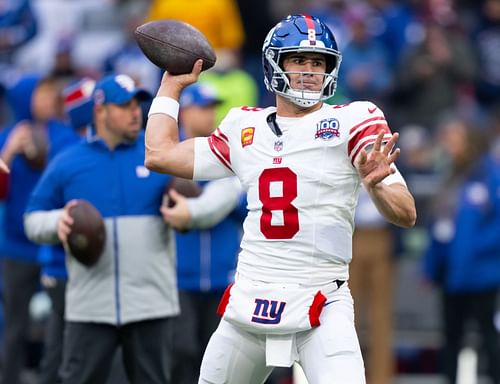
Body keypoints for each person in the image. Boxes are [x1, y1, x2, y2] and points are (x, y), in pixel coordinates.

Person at [144, 14, 416, 383]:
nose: (309, 71)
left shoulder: (354, 120)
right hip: (250, 300)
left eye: (317, 62)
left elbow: (406, 213)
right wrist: (170, 87)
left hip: (320, 303)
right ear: (275, 64)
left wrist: (376, 184)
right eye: (298, 60)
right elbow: (159, 155)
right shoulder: (245, 127)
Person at [24, 74, 178, 384]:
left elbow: (209, 195)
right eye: (124, 105)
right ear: (100, 111)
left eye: (138, 104)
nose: (136, 112)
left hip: (150, 304)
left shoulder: (159, 157)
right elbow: (32, 218)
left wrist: (190, 213)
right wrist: (58, 222)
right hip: (90, 306)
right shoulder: (68, 162)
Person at [161, 83, 246, 383]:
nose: (210, 114)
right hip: (178, 278)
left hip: (221, 278)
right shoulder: (168, 157)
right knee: (181, 353)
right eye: (203, 107)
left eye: (213, 108)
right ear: (186, 111)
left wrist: (211, 200)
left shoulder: (228, 158)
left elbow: (246, 209)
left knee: (218, 359)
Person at [0, 74, 74, 384]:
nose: (45, 100)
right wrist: (8, 154)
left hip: (54, 249)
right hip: (16, 247)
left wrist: (43, 155)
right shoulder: (8, 135)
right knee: (15, 326)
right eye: (39, 94)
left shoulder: (65, 137)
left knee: (61, 326)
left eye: (49, 94)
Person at [422, 116, 500, 384]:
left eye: (454, 139)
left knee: (488, 334)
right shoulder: (450, 175)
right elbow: (438, 225)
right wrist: (431, 265)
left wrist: (473, 253)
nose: (449, 145)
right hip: (451, 272)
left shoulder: (490, 175)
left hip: (482, 272)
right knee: (451, 336)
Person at [36, 77, 95, 384]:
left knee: (64, 348)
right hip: (64, 267)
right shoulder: (68, 149)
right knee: (68, 351)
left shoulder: (76, 145)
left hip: (73, 267)